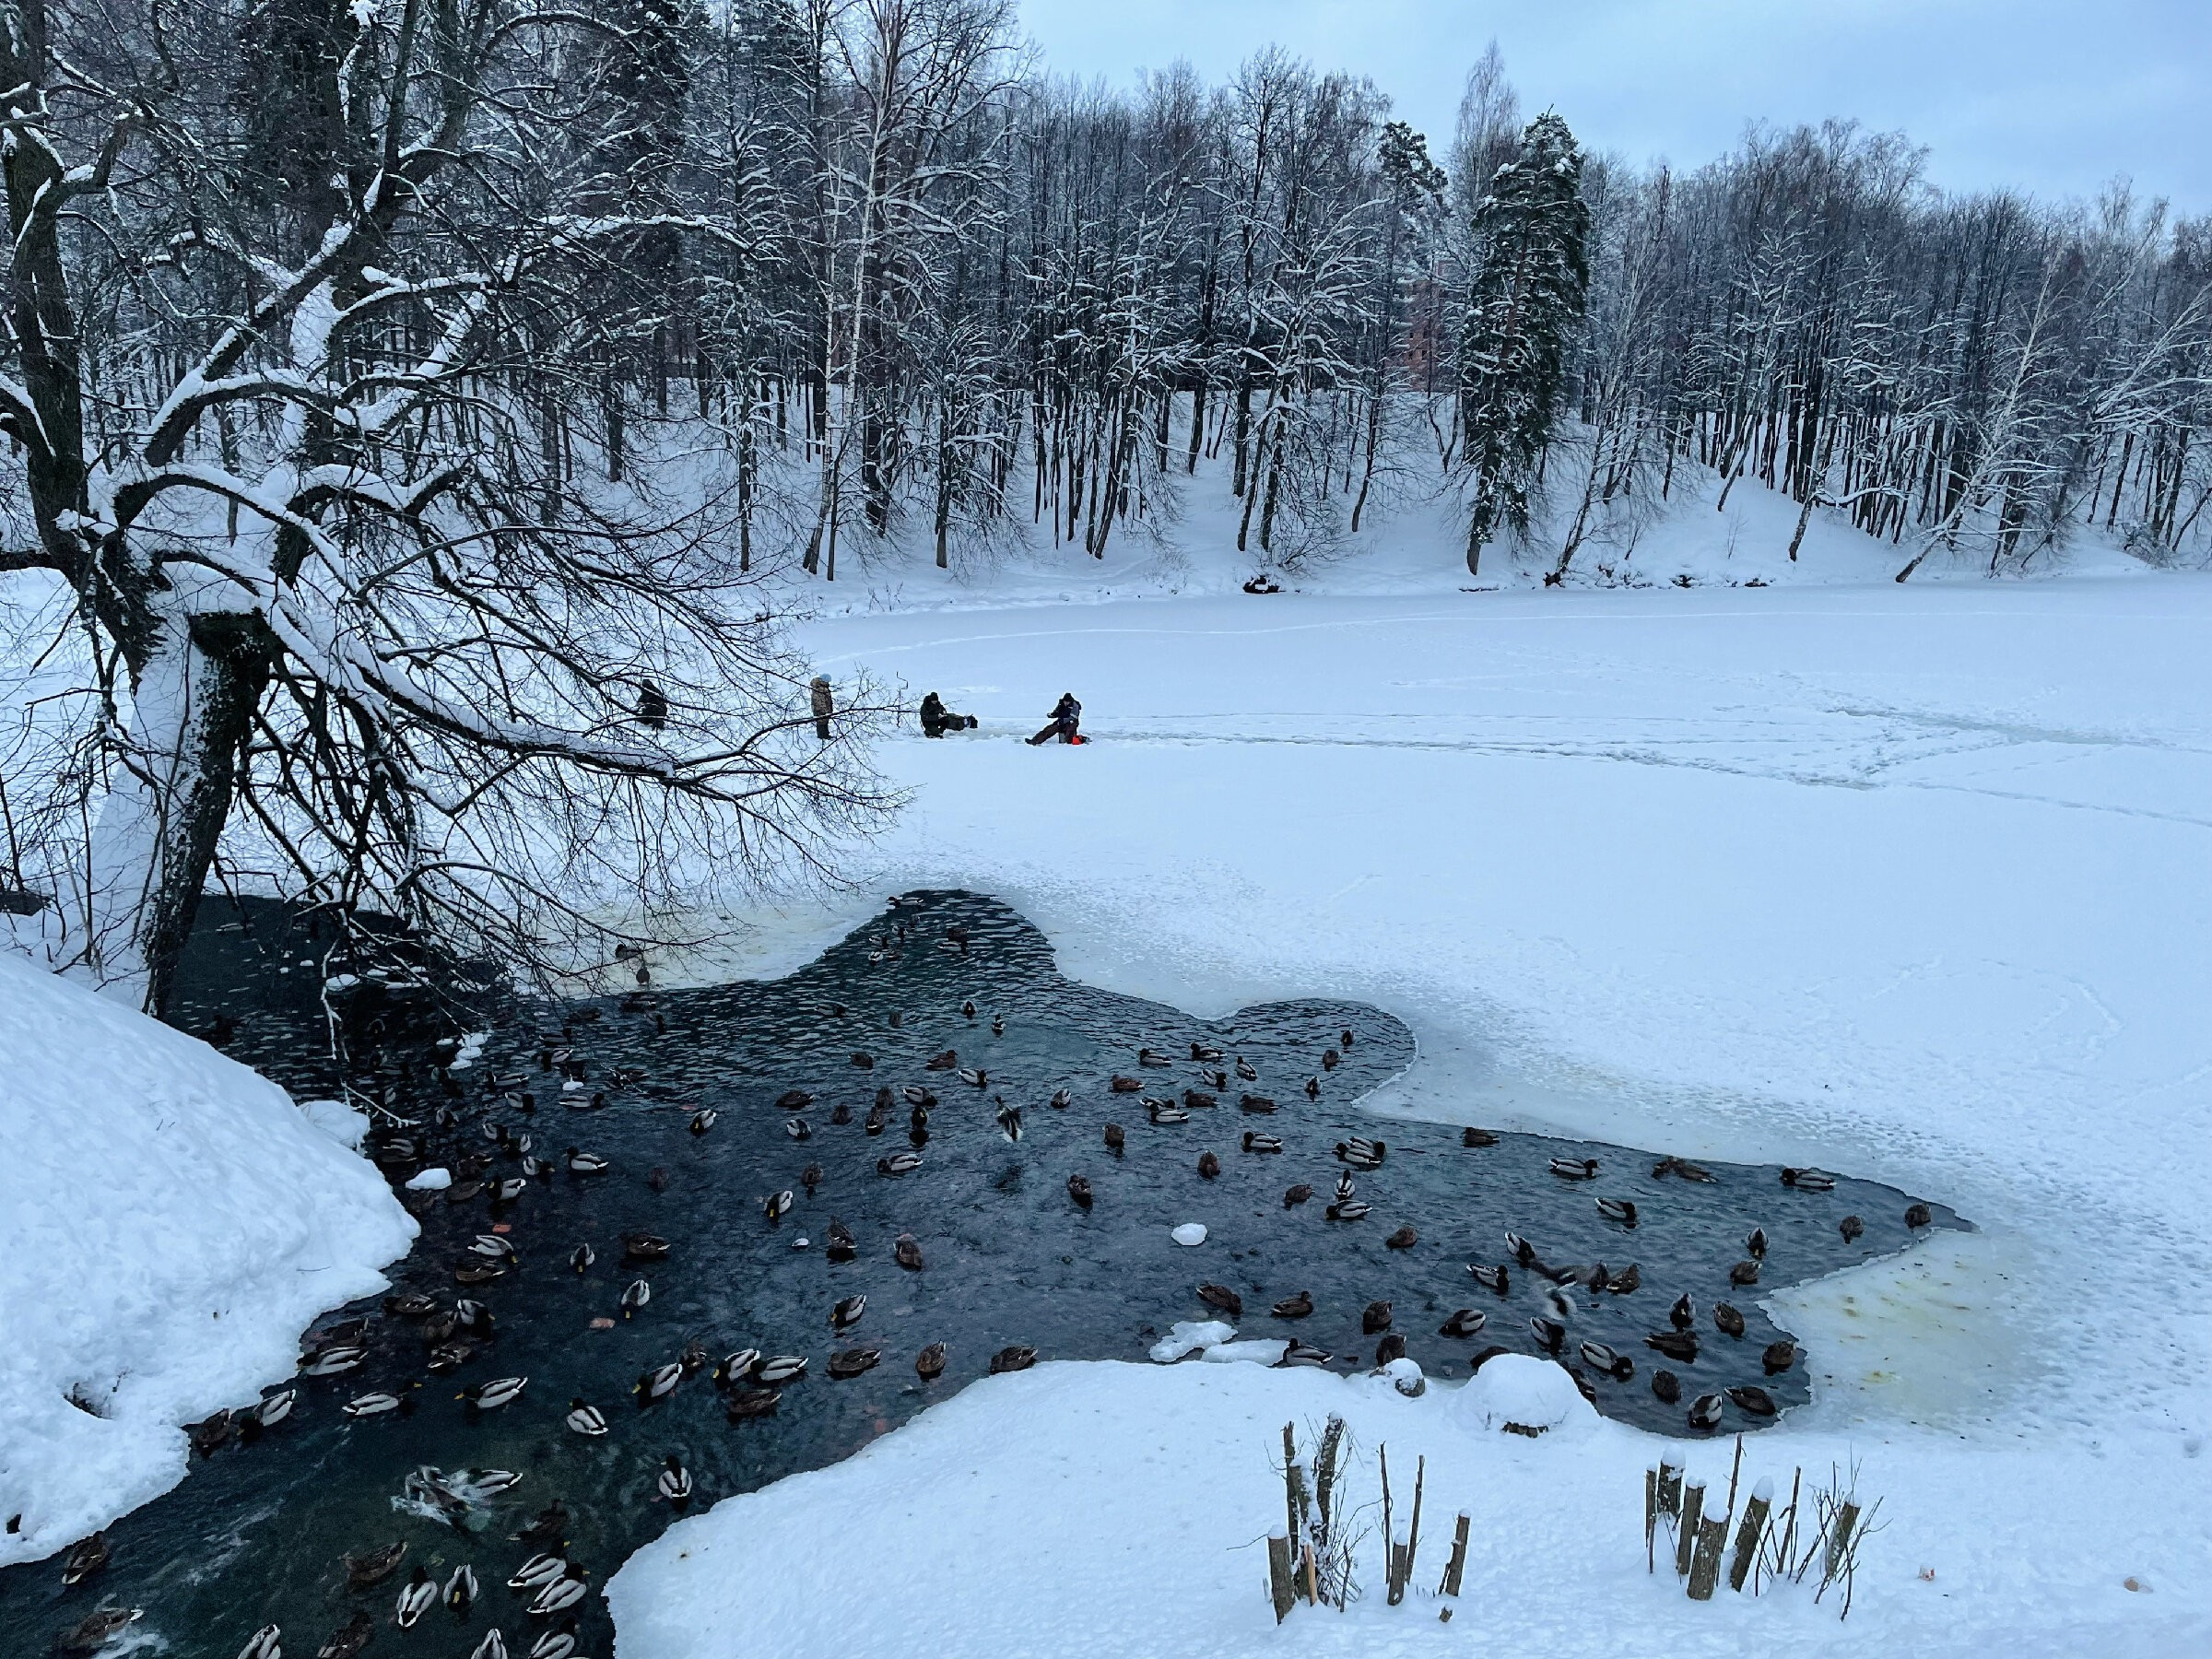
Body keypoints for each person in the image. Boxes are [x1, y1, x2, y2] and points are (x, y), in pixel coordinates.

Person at [809, 676, 833, 741]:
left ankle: (825, 734)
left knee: (824, 721)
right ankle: (822, 736)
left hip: (823, 709)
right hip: (820, 710)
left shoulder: (822, 688)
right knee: (821, 722)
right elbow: (820, 701)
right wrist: (825, 710)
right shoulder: (820, 688)